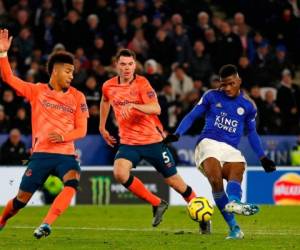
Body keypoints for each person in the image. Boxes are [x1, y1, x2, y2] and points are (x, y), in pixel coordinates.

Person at [99, 49, 210, 233]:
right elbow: (105, 101)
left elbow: (156, 108)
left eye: (130, 64)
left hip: (153, 141)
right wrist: (102, 127)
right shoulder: (108, 86)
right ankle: (157, 203)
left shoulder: (142, 83)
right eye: (123, 64)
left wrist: (134, 106)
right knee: (119, 173)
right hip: (129, 142)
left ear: (135, 65)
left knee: (175, 182)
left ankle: (203, 217)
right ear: (116, 65)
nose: (127, 68)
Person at [164, 64, 276, 239]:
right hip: (208, 143)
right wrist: (177, 133)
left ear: (239, 81)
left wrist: (263, 157)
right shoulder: (211, 96)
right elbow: (193, 115)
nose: (227, 88)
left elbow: (252, 132)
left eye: (231, 83)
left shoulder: (248, 106)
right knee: (216, 180)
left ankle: (235, 206)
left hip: (230, 148)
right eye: (223, 84)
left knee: (238, 167)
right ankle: (233, 224)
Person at [0, 29, 89, 239]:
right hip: (41, 155)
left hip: (66, 154)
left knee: (73, 180)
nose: (72, 75)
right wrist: (3, 54)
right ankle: (2, 220)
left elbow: (82, 130)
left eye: (73, 72)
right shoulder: (37, 91)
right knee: (20, 201)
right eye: (68, 71)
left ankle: (46, 224)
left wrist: (64, 137)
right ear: (55, 71)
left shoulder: (78, 97)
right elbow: (8, 78)